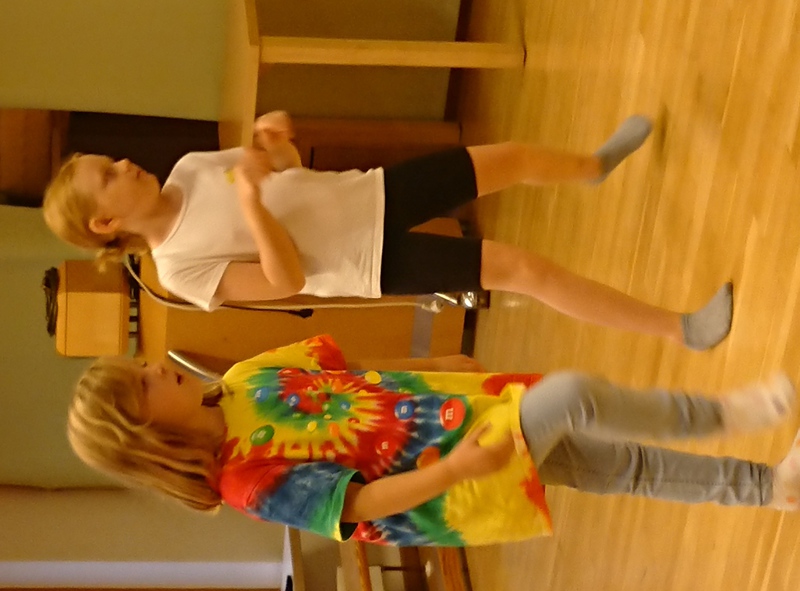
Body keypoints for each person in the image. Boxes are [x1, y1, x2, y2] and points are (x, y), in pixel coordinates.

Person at [43, 111, 732, 351]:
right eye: (109, 174)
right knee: (525, 270)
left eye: (112, 160)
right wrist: (251, 204)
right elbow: (287, 281)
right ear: (107, 223)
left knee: (513, 157)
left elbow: (283, 171)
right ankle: (680, 329)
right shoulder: (178, 270)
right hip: (370, 261)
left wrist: (274, 144)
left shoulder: (190, 168)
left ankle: (592, 166)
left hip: (370, 191)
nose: (124, 163)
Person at [67, 335, 800, 547]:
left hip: (461, 417)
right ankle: (726, 413)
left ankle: (773, 489)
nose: (155, 367)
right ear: (147, 434)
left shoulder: (243, 379)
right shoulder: (247, 481)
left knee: (617, 467)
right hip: (455, 476)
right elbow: (361, 505)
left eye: (140, 366)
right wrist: (459, 470)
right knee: (573, 396)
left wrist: (438, 366)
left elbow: (352, 376)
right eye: (142, 385)